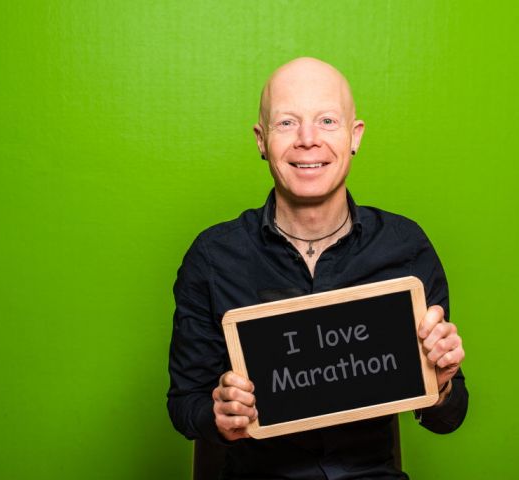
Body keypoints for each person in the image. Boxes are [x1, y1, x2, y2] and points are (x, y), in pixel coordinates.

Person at [168, 57, 468, 479]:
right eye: (286, 123)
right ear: (261, 140)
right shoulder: (214, 258)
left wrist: (443, 380)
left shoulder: (405, 249)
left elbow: (448, 418)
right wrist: (217, 413)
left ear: (354, 136)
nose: (307, 140)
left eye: (327, 121)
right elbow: (185, 404)